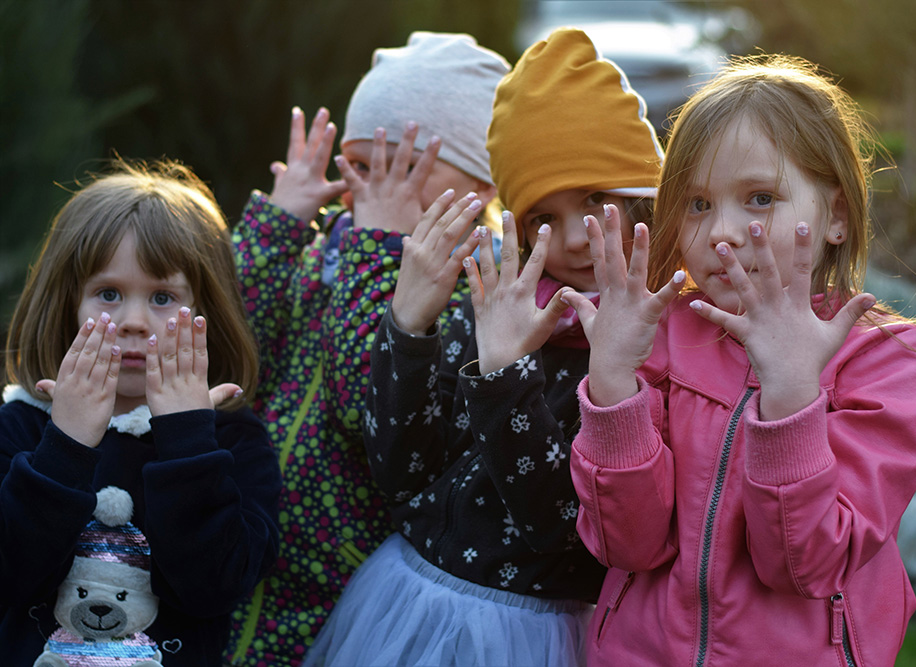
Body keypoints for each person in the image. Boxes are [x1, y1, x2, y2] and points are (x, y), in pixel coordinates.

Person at [563, 54, 916, 666]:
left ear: (836, 216)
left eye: (760, 197)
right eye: (696, 204)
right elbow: (626, 543)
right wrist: (610, 384)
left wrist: (791, 395)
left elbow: (804, 563)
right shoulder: (659, 335)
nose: (723, 232)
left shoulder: (888, 361)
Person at [303, 28, 666, 667]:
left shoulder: (656, 345)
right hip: (402, 606)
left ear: (647, 199)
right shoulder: (497, 302)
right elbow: (402, 475)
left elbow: (561, 529)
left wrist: (505, 376)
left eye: (594, 198)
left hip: (528, 636)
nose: (574, 238)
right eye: (542, 219)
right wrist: (408, 327)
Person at [225, 32, 510, 666]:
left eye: (401, 165)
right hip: (240, 561)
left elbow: (364, 403)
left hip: (339, 599)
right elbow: (229, 360)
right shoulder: (325, 257)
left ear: (484, 187)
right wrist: (279, 227)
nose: (365, 188)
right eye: (356, 164)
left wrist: (378, 253)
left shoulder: (473, 296)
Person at [0, 159, 281, 665]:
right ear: (67, 304)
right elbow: (9, 577)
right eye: (108, 294)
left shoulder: (234, 439)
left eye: (162, 296)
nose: (132, 321)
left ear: (206, 312)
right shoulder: (22, 423)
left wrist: (188, 442)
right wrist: (64, 445)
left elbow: (214, 588)